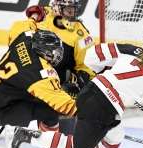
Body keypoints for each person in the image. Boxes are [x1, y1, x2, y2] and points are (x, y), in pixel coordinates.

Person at [9, 27, 143, 148]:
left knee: (115, 134)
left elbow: (93, 55)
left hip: (90, 90)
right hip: (105, 108)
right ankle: (29, 136)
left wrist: (94, 75)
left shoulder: (129, 49)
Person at [8, 0, 95, 136]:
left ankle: (53, 135)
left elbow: (86, 65)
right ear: (57, 9)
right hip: (32, 69)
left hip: (56, 80)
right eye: (68, 10)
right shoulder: (44, 14)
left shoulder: (81, 35)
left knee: (67, 95)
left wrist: (81, 79)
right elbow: (23, 33)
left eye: (73, 10)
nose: (72, 14)